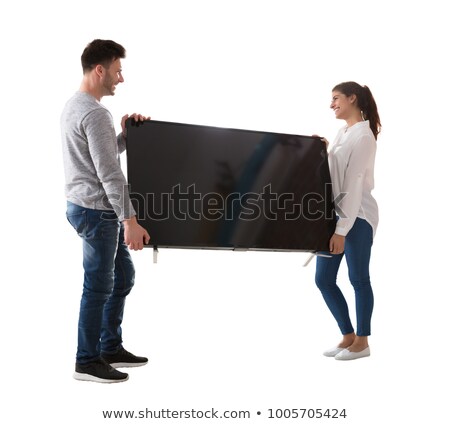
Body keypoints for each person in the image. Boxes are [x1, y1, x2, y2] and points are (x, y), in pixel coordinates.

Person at [61, 39, 151, 382]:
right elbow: (109, 174)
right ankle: (87, 361)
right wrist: (130, 220)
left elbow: (100, 154)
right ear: (100, 70)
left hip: (83, 205)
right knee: (98, 286)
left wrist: (125, 137)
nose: (121, 78)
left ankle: (109, 346)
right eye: (118, 71)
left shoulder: (76, 105)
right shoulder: (95, 112)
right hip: (98, 211)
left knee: (123, 277)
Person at [314, 81, 381, 361]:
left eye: (336, 98)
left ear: (353, 98)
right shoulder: (344, 133)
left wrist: (341, 230)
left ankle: (362, 342)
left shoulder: (363, 136)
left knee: (358, 278)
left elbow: (352, 186)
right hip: (337, 216)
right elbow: (335, 177)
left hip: (358, 217)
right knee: (324, 279)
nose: (332, 104)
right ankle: (348, 336)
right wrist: (325, 150)